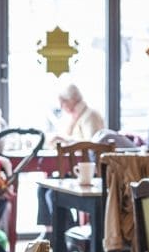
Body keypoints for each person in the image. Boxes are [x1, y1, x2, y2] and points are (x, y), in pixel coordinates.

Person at [37, 84, 106, 232]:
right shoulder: (76, 117)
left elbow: (93, 145)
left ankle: (67, 232)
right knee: (43, 187)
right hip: (76, 169)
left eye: (63, 101)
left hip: (88, 171)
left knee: (51, 192)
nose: (61, 106)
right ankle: (50, 231)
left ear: (72, 100)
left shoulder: (90, 115)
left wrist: (66, 141)